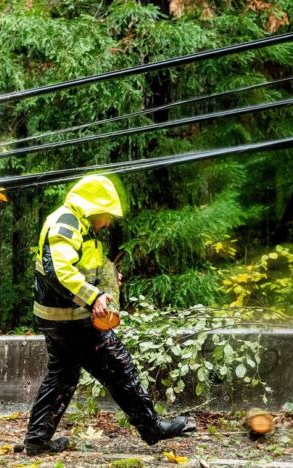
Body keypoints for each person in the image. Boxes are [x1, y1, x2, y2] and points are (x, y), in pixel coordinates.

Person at [23, 175, 195, 455]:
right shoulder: (66, 223)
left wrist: (107, 282)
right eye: (108, 215)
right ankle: (152, 428)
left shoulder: (79, 226)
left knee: (62, 376)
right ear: (94, 208)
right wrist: (94, 296)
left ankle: (37, 439)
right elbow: (59, 270)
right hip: (71, 320)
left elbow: (82, 268)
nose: (109, 221)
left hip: (61, 318)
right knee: (120, 367)